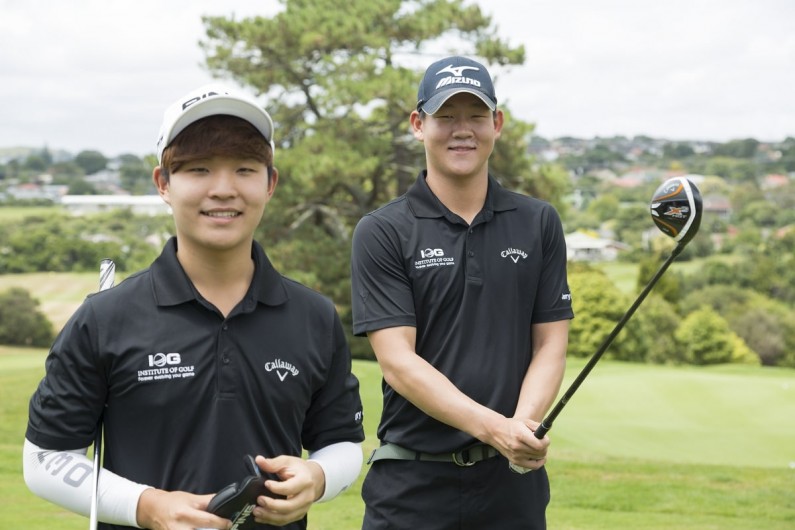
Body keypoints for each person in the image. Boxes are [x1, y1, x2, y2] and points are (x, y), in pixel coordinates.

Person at [24, 84, 365, 530]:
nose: (223, 190)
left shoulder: (313, 316)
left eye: (245, 169)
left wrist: (317, 477)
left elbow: (341, 443)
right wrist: (145, 506)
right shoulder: (105, 318)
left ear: (270, 183)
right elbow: (45, 459)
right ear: (163, 184)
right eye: (199, 169)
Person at [350, 56, 574, 529]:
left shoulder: (537, 222)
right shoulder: (384, 230)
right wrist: (498, 429)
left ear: (497, 123)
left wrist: (522, 428)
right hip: (412, 483)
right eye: (446, 116)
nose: (462, 129)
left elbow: (550, 344)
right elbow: (400, 364)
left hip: (512, 487)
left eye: (475, 115)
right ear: (418, 124)